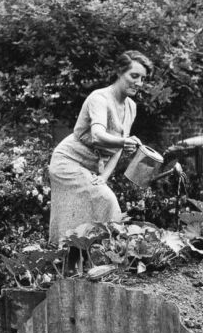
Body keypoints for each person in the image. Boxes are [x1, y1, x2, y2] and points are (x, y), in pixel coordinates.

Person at [48, 50, 152, 247]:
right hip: (67, 162)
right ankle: (116, 252)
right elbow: (97, 135)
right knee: (106, 200)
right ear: (120, 72)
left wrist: (104, 177)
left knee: (85, 215)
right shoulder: (99, 98)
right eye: (134, 76)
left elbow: (118, 146)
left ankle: (90, 260)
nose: (139, 83)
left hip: (91, 167)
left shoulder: (131, 107)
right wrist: (124, 142)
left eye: (143, 78)